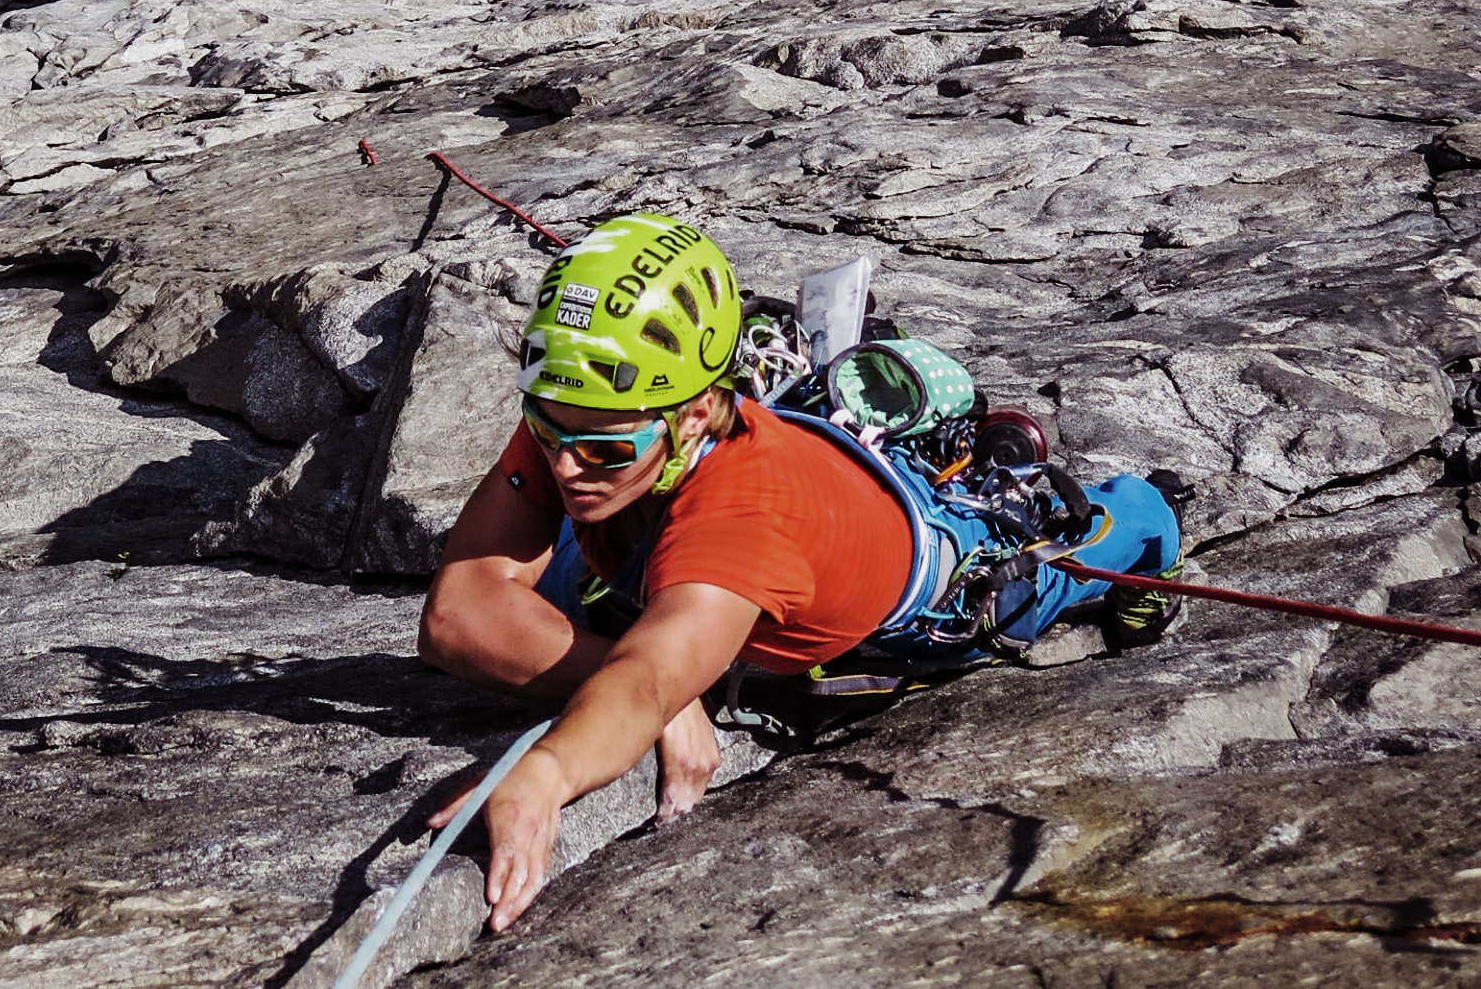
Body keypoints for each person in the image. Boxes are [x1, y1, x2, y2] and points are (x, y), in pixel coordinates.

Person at [419, 213, 1181, 934]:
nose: (563, 466)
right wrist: (655, 694)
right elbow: (460, 618)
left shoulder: (744, 517)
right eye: (548, 431)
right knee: (587, 594)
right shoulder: (593, 402)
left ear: (692, 413)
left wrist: (552, 773)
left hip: (927, 583)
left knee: (1072, 560)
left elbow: (646, 680)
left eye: (601, 451)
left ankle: (1146, 519)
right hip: (677, 542)